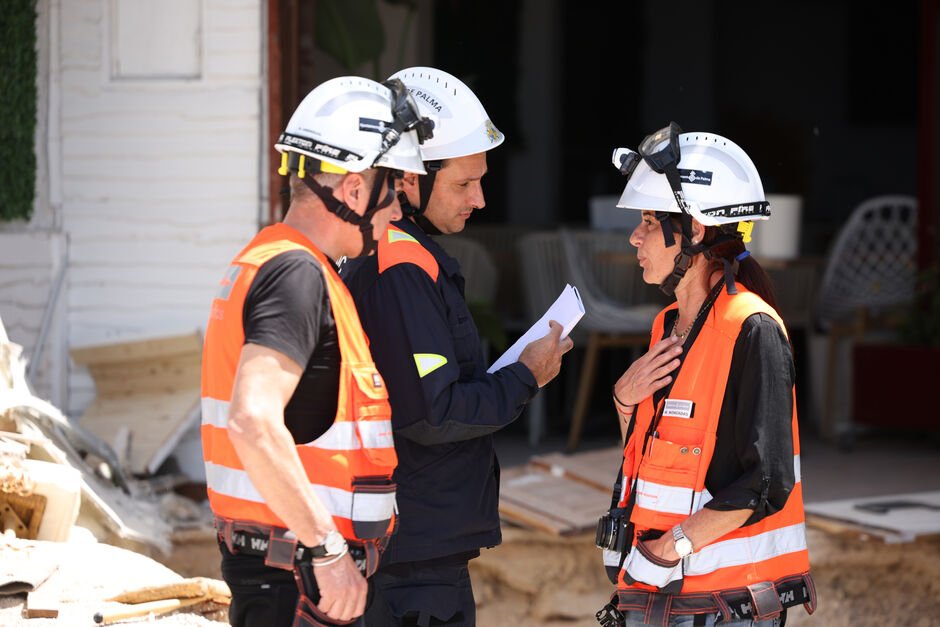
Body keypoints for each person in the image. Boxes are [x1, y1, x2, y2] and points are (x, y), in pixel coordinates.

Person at [341, 66, 573, 626]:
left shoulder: (403, 258)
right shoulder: (399, 269)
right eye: (463, 184)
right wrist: (527, 375)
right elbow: (433, 412)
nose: (481, 199)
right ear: (407, 180)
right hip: (412, 557)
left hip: (415, 541)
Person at [200, 75, 433, 627]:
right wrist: (327, 550)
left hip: (294, 576)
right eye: (392, 191)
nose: (397, 211)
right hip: (299, 581)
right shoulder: (295, 273)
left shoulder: (285, 264)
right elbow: (253, 420)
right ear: (354, 190)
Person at [594, 123, 816, 627]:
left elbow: (767, 479)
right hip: (662, 594)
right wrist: (624, 402)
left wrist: (670, 548)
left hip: (722, 604)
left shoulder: (753, 327)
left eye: (650, 221)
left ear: (694, 230)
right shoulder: (667, 326)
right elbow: (656, 464)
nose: (635, 236)